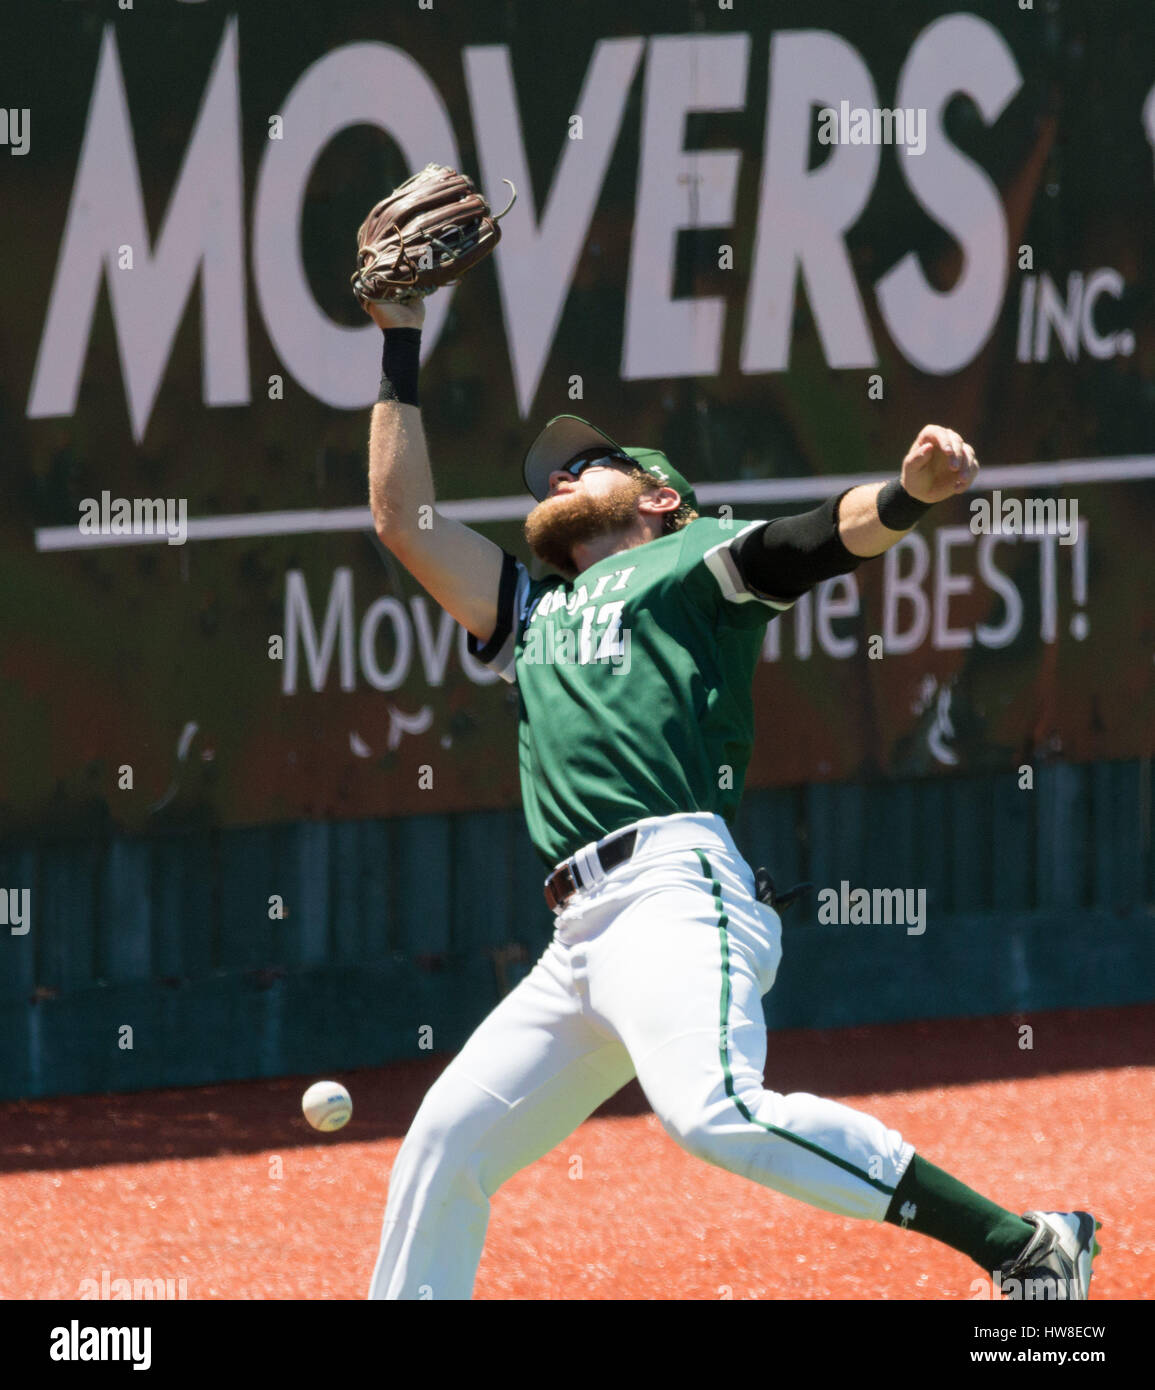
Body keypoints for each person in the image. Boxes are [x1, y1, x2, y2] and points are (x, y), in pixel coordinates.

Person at [361, 295, 1099, 1301]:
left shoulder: (686, 567)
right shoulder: (533, 610)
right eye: (555, 472)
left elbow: (810, 542)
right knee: (444, 1145)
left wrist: (908, 493)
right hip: (576, 939)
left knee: (714, 1112)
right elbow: (404, 521)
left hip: (673, 892)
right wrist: (398, 333)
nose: (565, 474)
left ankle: (1025, 1245)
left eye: (592, 462)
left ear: (661, 499)